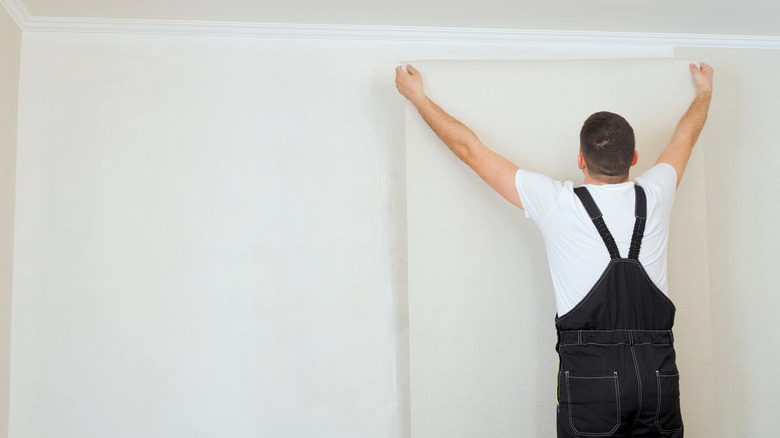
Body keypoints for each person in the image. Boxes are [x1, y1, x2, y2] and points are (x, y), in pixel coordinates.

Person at [395, 62, 713, 438]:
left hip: (591, 378)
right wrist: (705, 91)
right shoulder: (657, 191)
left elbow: (470, 150)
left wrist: (417, 97)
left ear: (581, 160)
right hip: (658, 376)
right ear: (634, 158)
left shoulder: (556, 202)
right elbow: (685, 137)